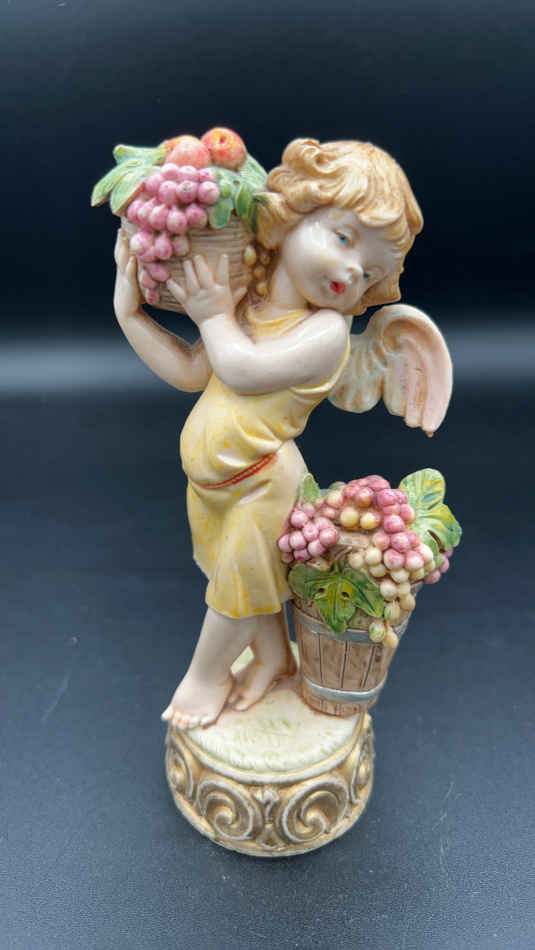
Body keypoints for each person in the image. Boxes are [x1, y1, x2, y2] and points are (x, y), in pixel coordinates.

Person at [113, 138, 425, 728]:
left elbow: (243, 370)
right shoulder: (249, 304)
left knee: (232, 595)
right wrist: (130, 316)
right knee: (241, 588)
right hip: (213, 486)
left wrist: (212, 316)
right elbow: (192, 372)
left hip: (262, 486)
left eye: (370, 272)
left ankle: (203, 680)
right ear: (290, 214)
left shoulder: (326, 334)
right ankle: (274, 658)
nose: (352, 271)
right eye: (344, 238)